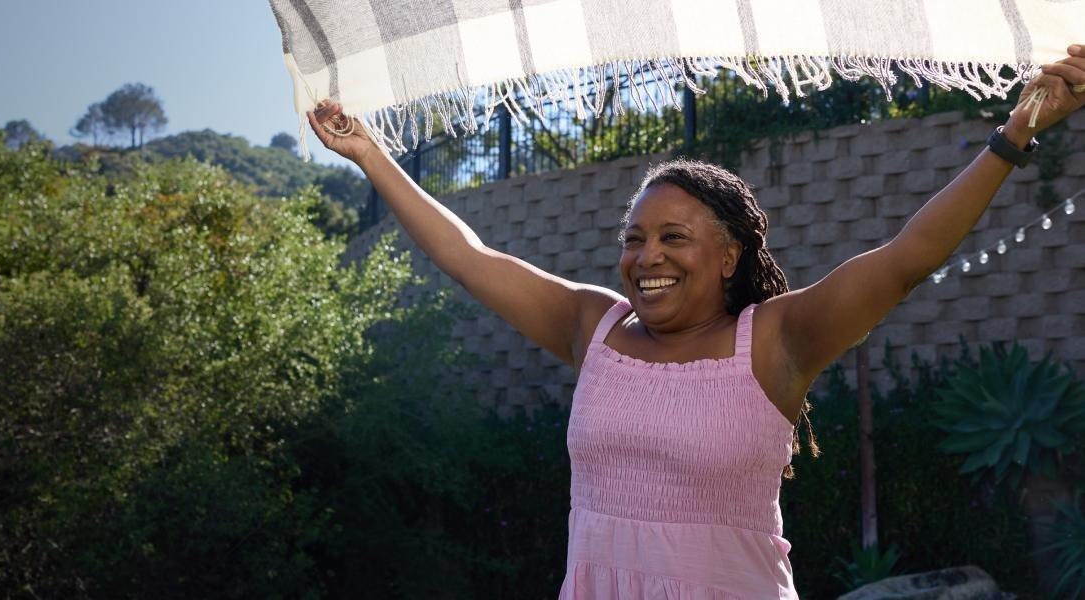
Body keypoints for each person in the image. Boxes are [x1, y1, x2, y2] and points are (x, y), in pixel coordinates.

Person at [307, 45, 1085, 599]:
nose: (648, 257)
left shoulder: (777, 343)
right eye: (635, 239)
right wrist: (371, 155)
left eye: (673, 237)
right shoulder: (595, 329)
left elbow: (908, 256)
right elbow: (469, 254)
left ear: (727, 256)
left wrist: (1012, 135)